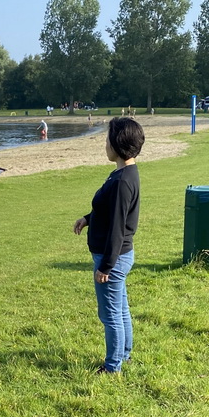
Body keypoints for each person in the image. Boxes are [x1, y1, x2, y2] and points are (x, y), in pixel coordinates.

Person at [73, 117, 145, 374]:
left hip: (112, 257)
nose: (104, 144)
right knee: (120, 308)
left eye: (107, 139)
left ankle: (113, 366)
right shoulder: (124, 174)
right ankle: (123, 355)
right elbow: (110, 212)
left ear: (117, 143)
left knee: (111, 314)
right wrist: (88, 219)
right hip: (118, 255)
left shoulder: (122, 181)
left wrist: (105, 266)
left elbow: (117, 227)